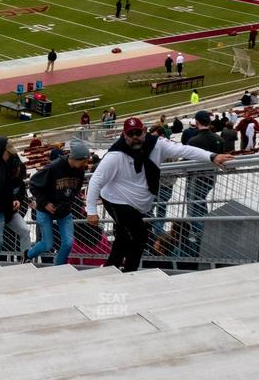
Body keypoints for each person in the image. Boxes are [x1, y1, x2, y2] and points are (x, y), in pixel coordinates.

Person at [85, 117, 231, 272]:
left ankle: (111, 267)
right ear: (124, 135)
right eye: (130, 133)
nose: (135, 137)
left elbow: (184, 150)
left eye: (138, 132)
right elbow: (96, 180)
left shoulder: (157, 144)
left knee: (124, 236)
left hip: (138, 203)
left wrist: (212, 156)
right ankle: (129, 271)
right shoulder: (115, 155)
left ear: (144, 131)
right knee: (140, 235)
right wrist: (91, 211)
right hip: (116, 199)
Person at [24, 140, 91, 265]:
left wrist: (66, 203)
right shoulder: (54, 167)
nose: (86, 164)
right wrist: (45, 203)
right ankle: (27, 255)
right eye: (84, 161)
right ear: (75, 158)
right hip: (45, 209)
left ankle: (58, 268)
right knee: (47, 244)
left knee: (68, 243)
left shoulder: (80, 170)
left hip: (63, 210)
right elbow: (33, 184)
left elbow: (75, 190)